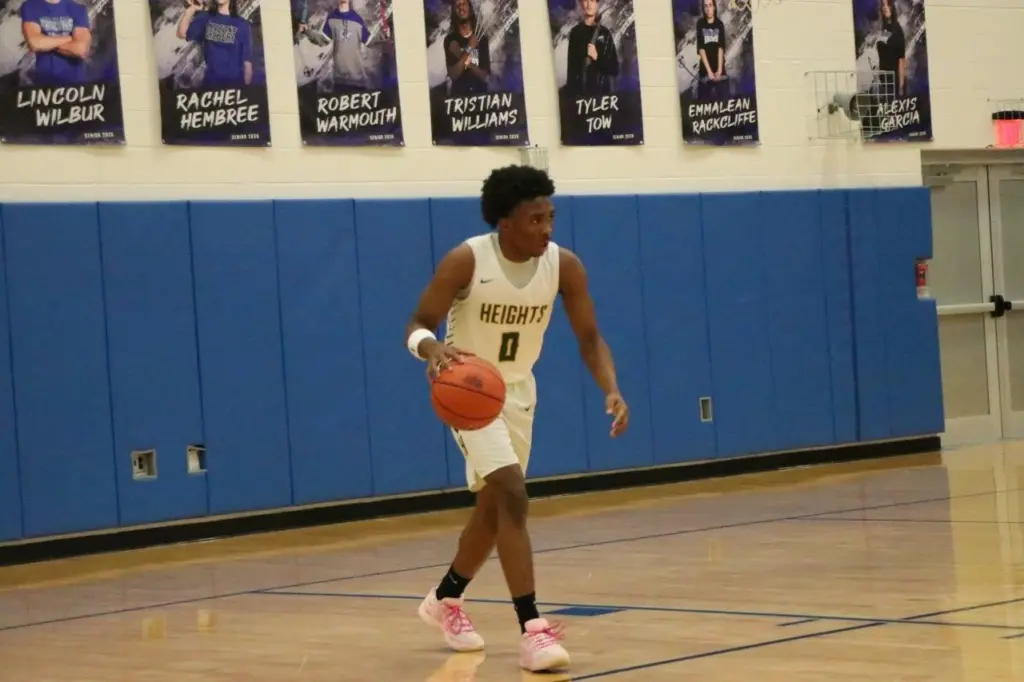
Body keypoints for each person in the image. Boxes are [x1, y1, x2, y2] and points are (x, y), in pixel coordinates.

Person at [403, 165, 630, 672]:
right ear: (505, 222)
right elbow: (417, 324)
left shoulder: (564, 266)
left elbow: (590, 337)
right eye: (534, 219)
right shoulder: (467, 260)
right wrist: (432, 348)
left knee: (494, 508)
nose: (546, 228)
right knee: (512, 493)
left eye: (550, 218)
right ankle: (533, 630)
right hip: (467, 390)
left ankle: (445, 598)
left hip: (519, 392)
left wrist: (611, 388)